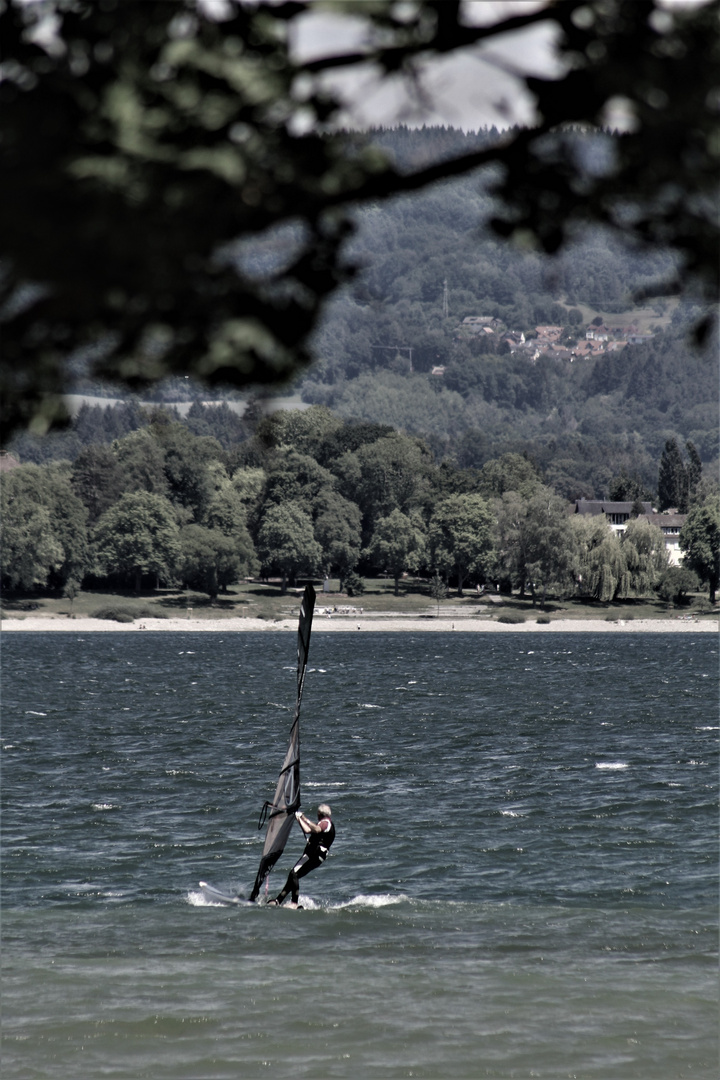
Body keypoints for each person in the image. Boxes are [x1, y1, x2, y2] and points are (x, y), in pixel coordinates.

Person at [267, 804, 335, 907]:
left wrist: (304, 818)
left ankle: (294, 903)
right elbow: (308, 830)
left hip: (313, 855)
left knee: (294, 874)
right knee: (294, 876)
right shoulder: (328, 824)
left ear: (319, 814)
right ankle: (278, 900)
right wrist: (298, 818)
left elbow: (316, 829)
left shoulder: (325, 823)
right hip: (318, 857)